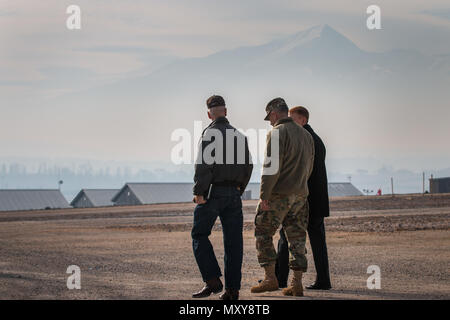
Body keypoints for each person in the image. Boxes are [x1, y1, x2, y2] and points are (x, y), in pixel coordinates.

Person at [191, 95, 253, 300]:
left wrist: (199, 192)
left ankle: (212, 280)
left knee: (199, 235)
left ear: (209, 114)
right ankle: (232, 290)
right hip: (234, 194)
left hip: (213, 193)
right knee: (234, 243)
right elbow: (248, 166)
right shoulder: (240, 136)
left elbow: (203, 166)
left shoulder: (209, 133)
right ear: (226, 112)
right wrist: (239, 188)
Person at [251, 98, 314, 297]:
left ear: (275, 114)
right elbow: (309, 168)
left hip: (279, 195)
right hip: (300, 195)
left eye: (269, 117)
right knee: (297, 238)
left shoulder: (277, 133)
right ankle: (296, 283)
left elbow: (270, 168)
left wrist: (264, 196)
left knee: (263, 232)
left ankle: (270, 278)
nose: (269, 121)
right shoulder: (306, 135)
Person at [275, 106, 332, 290]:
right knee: (317, 242)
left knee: (285, 237)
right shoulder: (316, 140)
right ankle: (323, 280)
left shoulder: (305, 140)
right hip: (317, 199)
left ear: (303, 120)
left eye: (293, 119)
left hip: (304, 199)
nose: (289, 123)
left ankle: (280, 279)